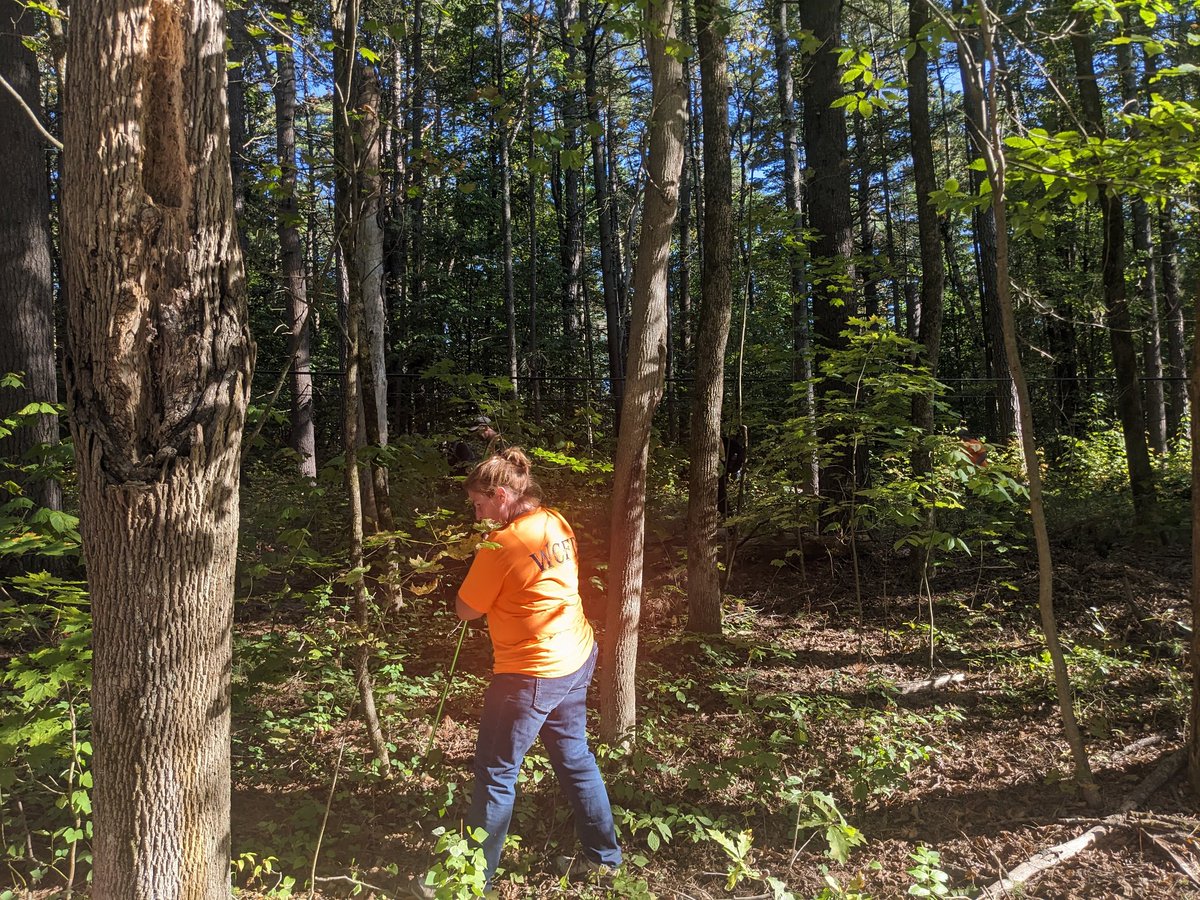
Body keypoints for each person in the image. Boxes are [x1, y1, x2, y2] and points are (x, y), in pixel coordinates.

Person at [454, 447, 622, 889]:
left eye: (478, 504)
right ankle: (604, 859)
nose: (475, 514)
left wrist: (480, 559)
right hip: (576, 656)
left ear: (502, 495)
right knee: (575, 759)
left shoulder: (500, 545)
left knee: (495, 773)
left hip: (530, 673)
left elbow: (466, 609)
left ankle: (470, 881)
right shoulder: (555, 521)